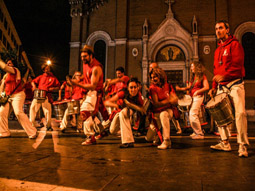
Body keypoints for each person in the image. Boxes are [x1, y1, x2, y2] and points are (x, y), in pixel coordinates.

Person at [208, 20, 249, 157]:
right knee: (218, 112)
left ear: (227, 30)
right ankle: (225, 143)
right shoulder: (217, 50)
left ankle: (242, 145)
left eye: (220, 28)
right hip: (222, 85)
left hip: (235, 83)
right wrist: (213, 87)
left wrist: (224, 75)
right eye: (216, 29)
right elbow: (216, 71)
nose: (218, 31)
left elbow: (238, 66)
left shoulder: (235, 45)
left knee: (240, 113)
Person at [69, 45, 104, 145]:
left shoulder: (96, 68)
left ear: (91, 55)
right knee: (90, 115)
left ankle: (90, 137)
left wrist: (77, 84)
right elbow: (87, 75)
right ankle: (102, 131)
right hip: (89, 93)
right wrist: (79, 79)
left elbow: (93, 86)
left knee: (84, 111)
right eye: (82, 57)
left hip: (95, 93)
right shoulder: (86, 64)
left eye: (85, 56)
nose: (83, 59)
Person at [0, 58, 37, 138]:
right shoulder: (6, 75)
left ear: (13, 64)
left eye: (10, 63)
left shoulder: (15, 70)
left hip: (18, 95)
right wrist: (1, 94)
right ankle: (4, 132)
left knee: (18, 112)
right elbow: (2, 85)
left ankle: (32, 132)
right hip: (8, 96)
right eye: (7, 63)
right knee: (1, 112)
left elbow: (4, 67)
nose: (8, 64)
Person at [108, 77, 146, 148]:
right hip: (118, 112)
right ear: (128, 88)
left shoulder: (139, 96)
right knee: (112, 130)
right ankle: (126, 133)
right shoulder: (123, 93)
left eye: (135, 87)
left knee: (124, 113)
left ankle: (128, 141)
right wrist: (117, 105)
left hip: (129, 111)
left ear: (138, 88)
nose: (133, 90)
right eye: (131, 87)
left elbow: (141, 110)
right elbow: (109, 101)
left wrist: (130, 105)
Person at [176, 62, 209, 139]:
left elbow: (206, 87)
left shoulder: (202, 77)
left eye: (192, 66)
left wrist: (198, 91)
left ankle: (200, 134)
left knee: (193, 114)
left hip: (198, 97)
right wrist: (180, 89)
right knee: (192, 115)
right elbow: (190, 87)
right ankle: (196, 131)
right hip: (193, 97)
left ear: (196, 67)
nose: (191, 68)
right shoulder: (194, 77)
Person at [147, 67, 178, 149]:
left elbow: (175, 99)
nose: (153, 79)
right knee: (148, 138)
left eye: (155, 77)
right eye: (152, 77)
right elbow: (156, 104)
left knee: (163, 114)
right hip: (156, 114)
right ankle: (157, 136)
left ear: (160, 76)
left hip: (167, 111)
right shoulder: (152, 88)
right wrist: (169, 100)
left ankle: (167, 141)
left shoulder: (168, 86)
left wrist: (173, 100)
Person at [29, 64, 60, 130]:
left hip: (46, 95)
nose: (47, 70)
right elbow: (33, 82)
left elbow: (58, 87)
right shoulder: (40, 77)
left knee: (47, 111)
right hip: (38, 95)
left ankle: (48, 125)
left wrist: (53, 89)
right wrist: (34, 86)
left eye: (48, 68)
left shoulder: (53, 78)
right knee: (33, 108)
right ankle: (31, 124)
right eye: (46, 69)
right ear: (43, 70)